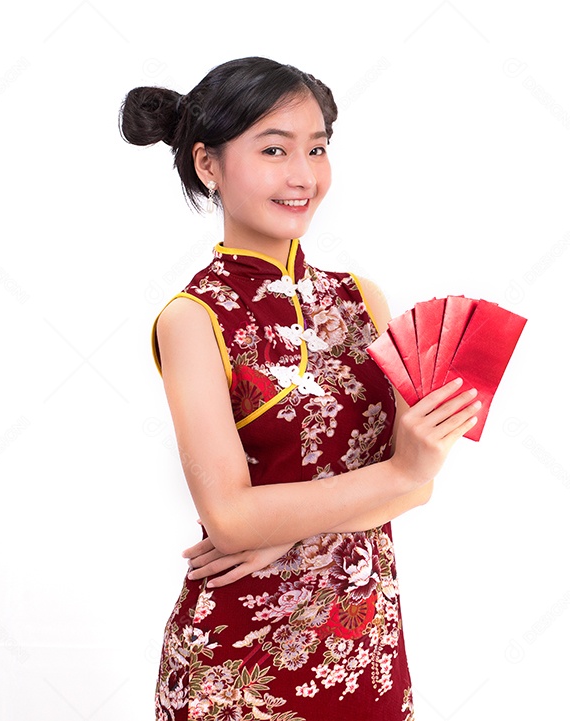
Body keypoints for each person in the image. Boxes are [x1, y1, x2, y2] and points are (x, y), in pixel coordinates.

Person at [119, 57, 480, 721]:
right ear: (208, 165)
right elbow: (228, 514)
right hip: (238, 668)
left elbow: (415, 484)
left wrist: (285, 531)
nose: (303, 175)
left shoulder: (362, 300)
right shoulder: (194, 318)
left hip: (366, 654)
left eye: (316, 148)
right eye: (274, 149)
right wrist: (399, 473)